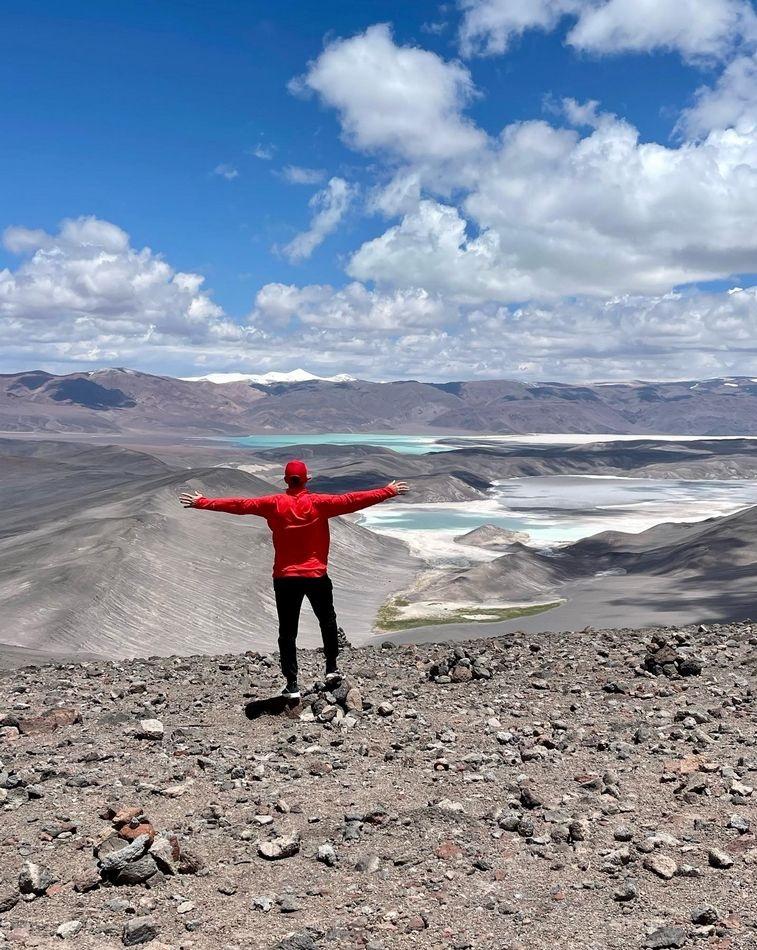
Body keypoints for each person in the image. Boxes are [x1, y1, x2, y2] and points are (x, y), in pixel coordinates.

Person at [180, 460, 409, 698]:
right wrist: (388, 491)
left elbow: (240, 505)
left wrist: (202, 502)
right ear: (306, 479)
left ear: (286, 480)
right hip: (316, 575)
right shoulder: (319, 503)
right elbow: (352, 500)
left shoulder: (273, 504)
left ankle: (292, 684)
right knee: (327, 621)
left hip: (285, 578)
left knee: (287, 631)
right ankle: (331, 668)